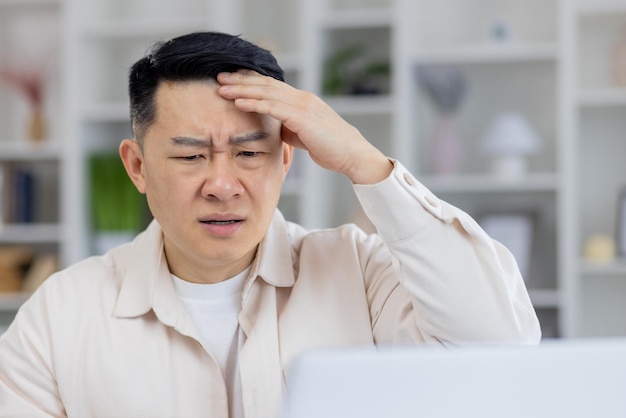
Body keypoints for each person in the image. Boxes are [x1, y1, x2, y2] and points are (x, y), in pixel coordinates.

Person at [0, 32, 540, 418]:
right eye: (190, 158)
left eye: (249, 152)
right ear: (137, 167)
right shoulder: (62, 312)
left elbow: (501, 347)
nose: (222, 184)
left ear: (285, 159)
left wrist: (366, 163)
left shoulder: (359, 270)